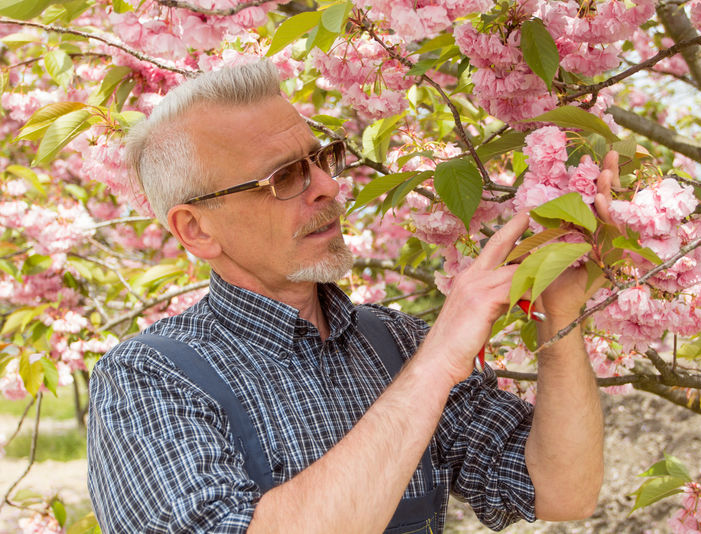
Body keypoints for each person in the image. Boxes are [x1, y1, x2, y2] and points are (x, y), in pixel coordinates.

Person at [87, 59, 614, 533]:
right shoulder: (148, 378)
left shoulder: (397, 341)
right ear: (197, 230)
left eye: (320, 159)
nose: (329, 187)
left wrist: (558, 313)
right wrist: (433, 368)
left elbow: (559, 491)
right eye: (285, 176)